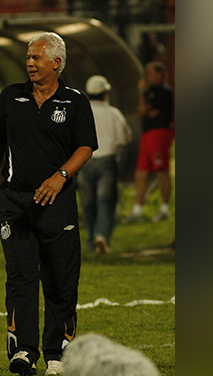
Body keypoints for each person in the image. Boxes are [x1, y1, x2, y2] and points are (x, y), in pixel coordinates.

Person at [0, 32, 97, 376]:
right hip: (15, 200)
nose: (29, 63)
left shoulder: (75, 102)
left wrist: (60, 175)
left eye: (36, 58)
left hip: (57, 204)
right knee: (20, 276)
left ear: (56, 63)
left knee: (61, 279)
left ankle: (58, 354)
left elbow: (85, 147)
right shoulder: (10, 97)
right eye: (28, 58)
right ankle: (23, 352)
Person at [78, 75, 132, 254]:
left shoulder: (80, 112)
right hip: (107, 161)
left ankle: (91, 240)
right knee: (106, 202)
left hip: (84, 162)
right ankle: (101, 235)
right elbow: (124, 138)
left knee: (88, 203)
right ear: (104, 94)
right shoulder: (113, 113)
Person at [125, 61, 174, 223]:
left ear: (160, 74)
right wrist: (145, 106)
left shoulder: (164, 93)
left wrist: (141, 94)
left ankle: (164, 209)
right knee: (141, 173)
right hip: (147, 135)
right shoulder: (150, 92)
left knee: (161, 170)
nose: (147, 77)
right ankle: (137, 210)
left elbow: (144, 109)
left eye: (150, 73)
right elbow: (141, 112)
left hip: (159, 133)